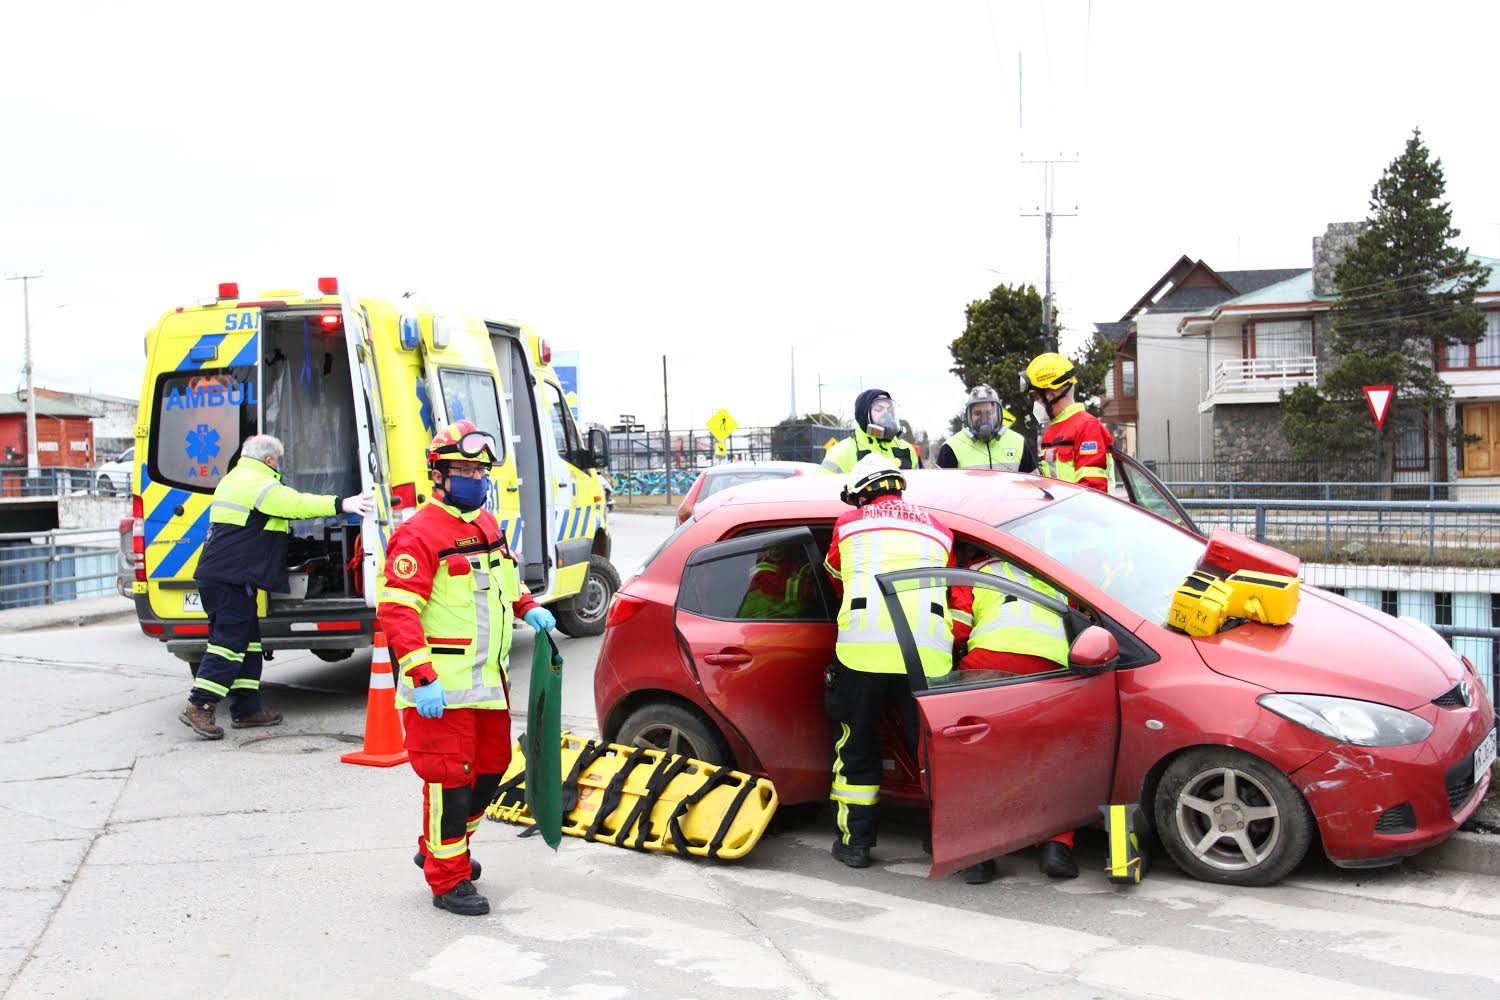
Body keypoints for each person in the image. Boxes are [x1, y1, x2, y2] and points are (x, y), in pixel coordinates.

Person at [376, 420, 557, 917]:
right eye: (464, 469)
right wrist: (421, 676)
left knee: (490, 771)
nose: (475, 478)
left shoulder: (486, 525)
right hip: (440, 689)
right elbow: (397, 611)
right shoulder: (417, 535)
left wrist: (526, 606)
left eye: (481, 469)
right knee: (449, 783)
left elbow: (505, 582)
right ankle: (448, 878)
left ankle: (440, 845)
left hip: (487, 686)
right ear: (439, 475)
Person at [180, 434, 374, 740]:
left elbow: (262, 527)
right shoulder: (256, 483)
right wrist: (342, 503)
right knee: (228, 644)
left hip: (226, 575)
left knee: (248, 643)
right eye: (277, 461)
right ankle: (200, 704)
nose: (278, 465)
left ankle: (247, 709)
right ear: (270, 460)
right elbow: (294, 504)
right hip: (230, 578)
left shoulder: (235, 478)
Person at [823, 454, 953, 868]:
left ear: (860, 493)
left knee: (856, 745)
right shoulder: (940, 529)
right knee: (934, 755)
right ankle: (946, 841)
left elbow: (836, 577)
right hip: (927, 656)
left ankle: (856, 843)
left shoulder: (849, 524)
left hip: (862, 651)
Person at [949, 550, 1079, 883]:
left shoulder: (974, 571)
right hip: (1051, 669)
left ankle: (979, 856)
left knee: (977, 760)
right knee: (1048, 756)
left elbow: (958, 631)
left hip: (989, 664)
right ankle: (1056, 846)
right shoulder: (1052, 571)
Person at [1023, 353, 1116, 493]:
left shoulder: (1087, 427)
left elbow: (1094, 491)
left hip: (1082, 514)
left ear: (1052, 395)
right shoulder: (1051, 431)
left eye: (1037, 397)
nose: (1036, 403)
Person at [936, 384, 1037, 472]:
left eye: (989, 413)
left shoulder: (1018, 442)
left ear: (998, 414)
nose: (984, 419)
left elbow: (1033, 487)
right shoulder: (951, 447)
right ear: (968, 416)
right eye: (977, 413)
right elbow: (941, 490)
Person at [821, 389, 918, 475]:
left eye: (889, 409)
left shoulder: (907, 449)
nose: (886, 413)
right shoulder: (840, 453)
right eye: (879, 409)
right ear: (864, 415)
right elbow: (824, 491)